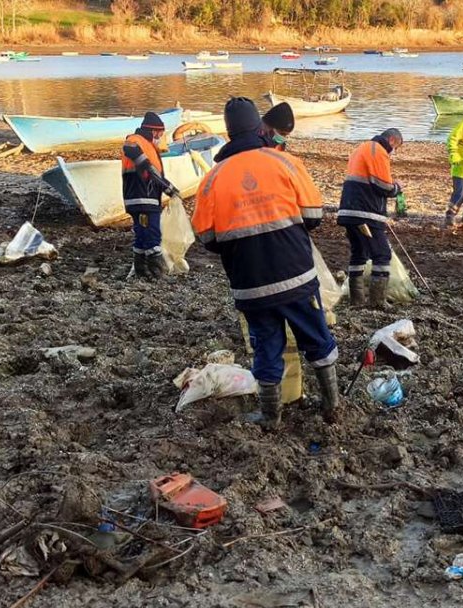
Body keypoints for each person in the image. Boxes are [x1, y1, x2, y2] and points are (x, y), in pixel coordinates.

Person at [192, 97, 339, 427]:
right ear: (260, 128)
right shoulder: (285, 163)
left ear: (229, 133)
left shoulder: (213, 179)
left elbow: (207, 238)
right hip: (297, 277)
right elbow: (313, 216)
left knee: (266, 346)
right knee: (317, 338)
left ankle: (270, 416)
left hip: (250, 285)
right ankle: (332, 407)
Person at [337, 128, 403, 309]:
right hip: (366, 212)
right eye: (396, 147)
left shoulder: (362, 148)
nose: (394, 151)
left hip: (349, 211)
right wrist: (397, 187)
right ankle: (377, 301)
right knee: (382, 254)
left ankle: (357, 299)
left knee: (359, 253)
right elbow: (383, 186)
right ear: (391, 140)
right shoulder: (378, 151)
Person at [121, 112, 180, 279]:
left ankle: (140, 270)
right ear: (153, 131)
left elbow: (154, 174)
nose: (160, 138)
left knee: (142, 234)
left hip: (141, 199)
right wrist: (167, 187)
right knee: (152, 233)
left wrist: (169, 188)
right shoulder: (136, 140)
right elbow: (132, 150)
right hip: (143, 199)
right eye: (160, 134)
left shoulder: (147, 145)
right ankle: (156, 271)